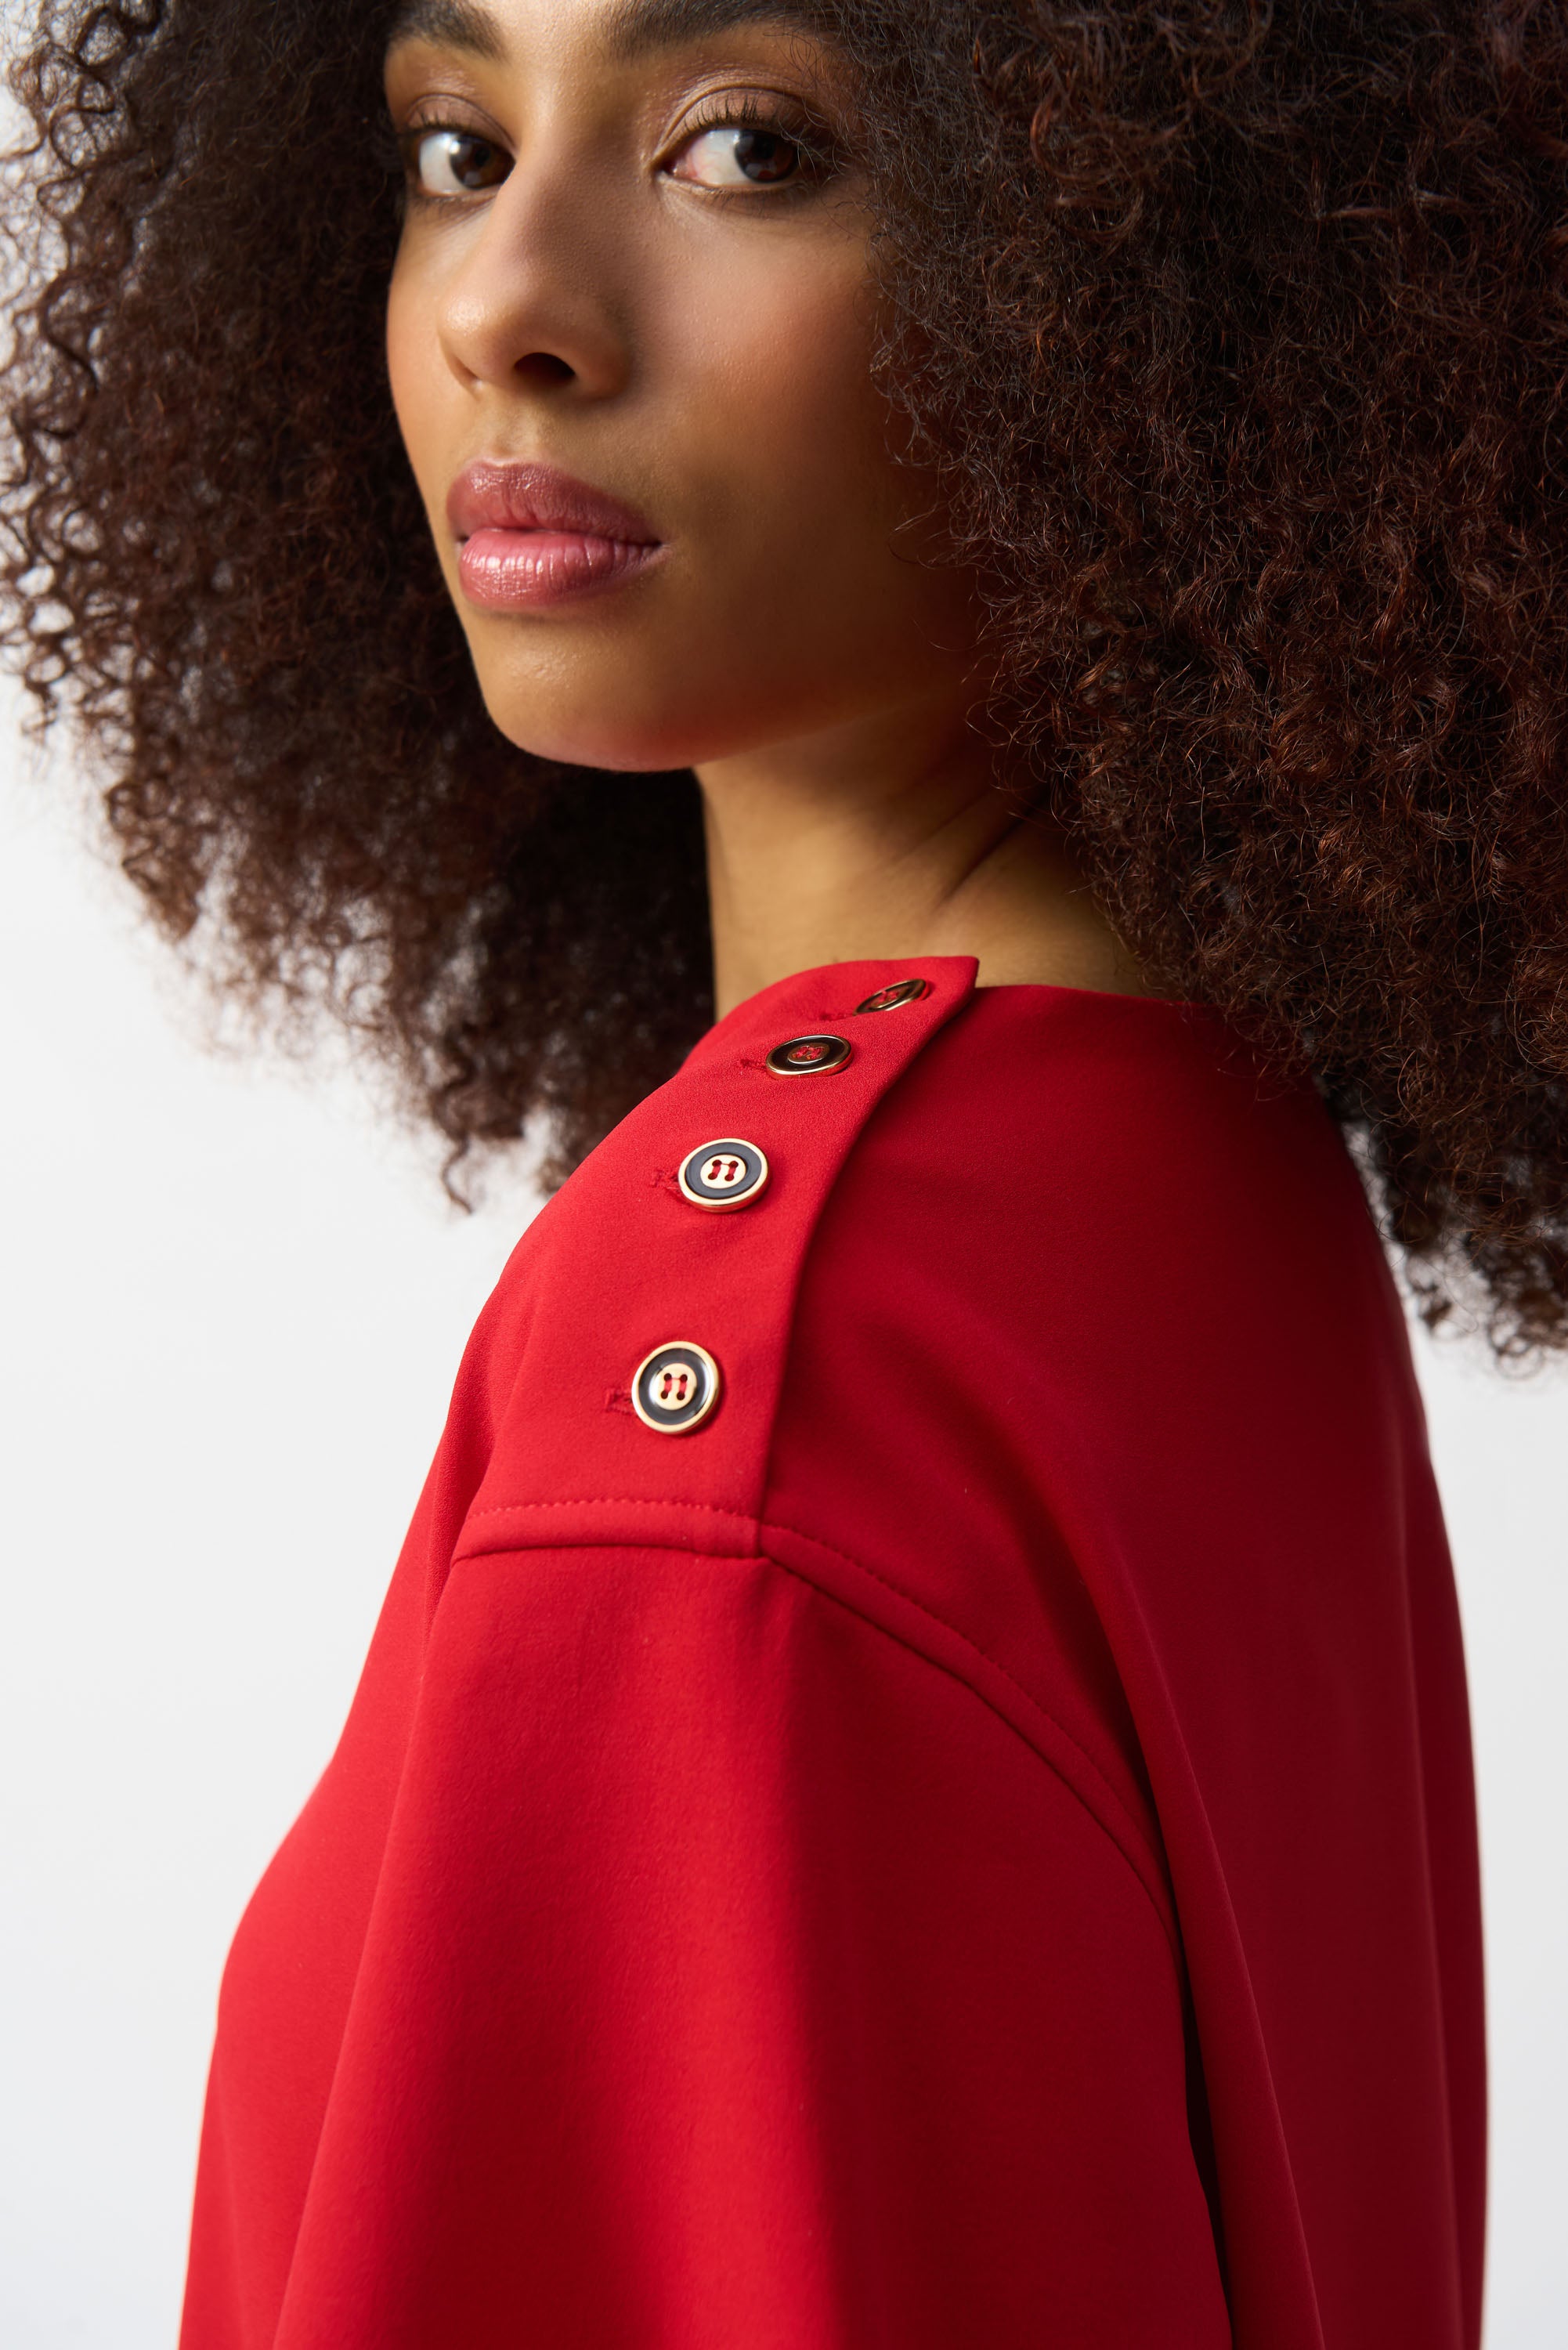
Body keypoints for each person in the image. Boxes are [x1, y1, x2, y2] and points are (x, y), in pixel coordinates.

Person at [6, 0, 1564, 2341]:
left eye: (745, 149)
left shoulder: (754, 1395)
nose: (503, 300)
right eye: (454, 144)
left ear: (1146, 256)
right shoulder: (1182, 1173)